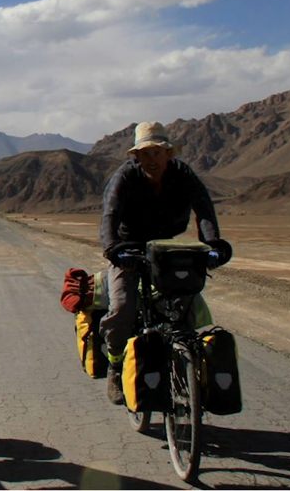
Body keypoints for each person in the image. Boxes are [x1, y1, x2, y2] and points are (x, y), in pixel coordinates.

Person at [99, 121, 231, 405]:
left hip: (167, 246)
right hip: (128, 247)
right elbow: (109, 214)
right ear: (136, 156)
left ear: (169, 153)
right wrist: (112, 249)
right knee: (122, 307)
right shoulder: (124, 177)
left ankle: (184, 358)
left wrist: (213, 246)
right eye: (145, 153)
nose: (151, 159)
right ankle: (115, 365)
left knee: (185, 301)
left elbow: (204, 209)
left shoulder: (183, 174)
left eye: (157, 152)